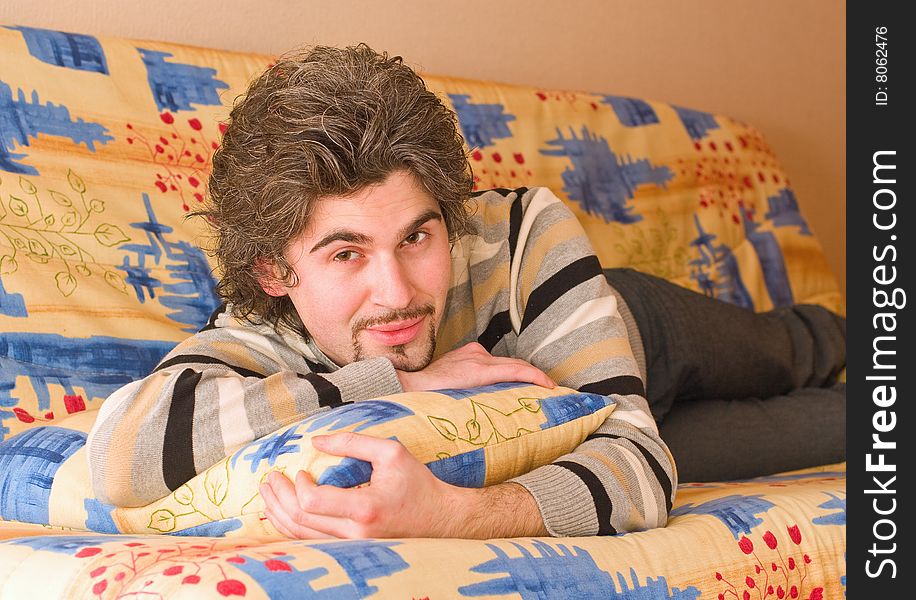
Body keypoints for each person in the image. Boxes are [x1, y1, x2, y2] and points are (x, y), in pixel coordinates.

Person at [86, 43, 844, 539]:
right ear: (275, 274)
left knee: (796, 349)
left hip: (619, 334)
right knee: (853, 428)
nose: (399, 291)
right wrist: (399, 382)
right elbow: (121, 454)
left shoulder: (516, 231)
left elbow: (633, 465)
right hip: (587, 431)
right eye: (347, 253)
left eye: (418, 237)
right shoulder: (266, 331)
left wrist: (452, 514)